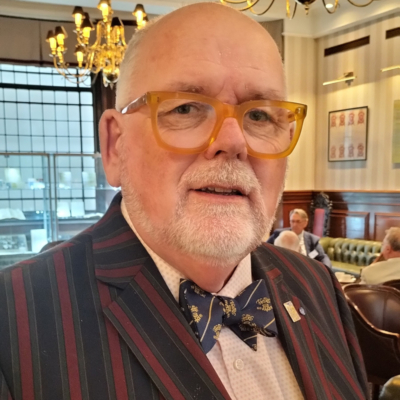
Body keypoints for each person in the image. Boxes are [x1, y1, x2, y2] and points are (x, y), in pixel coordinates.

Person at [0, 4, 368, 400]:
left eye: (260, 116)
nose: (232, 141)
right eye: (186, 108)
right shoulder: (13, 317)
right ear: (115, 146)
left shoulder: (316, 285)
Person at [267, 208, 332, 268]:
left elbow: (323, 257)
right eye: (292, 221)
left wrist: (326, 270)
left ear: (305, 223)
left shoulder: (312, 239)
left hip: (305, 269)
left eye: (298, 222)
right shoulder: (280, 234)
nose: (295, 225)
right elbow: (265, 248)